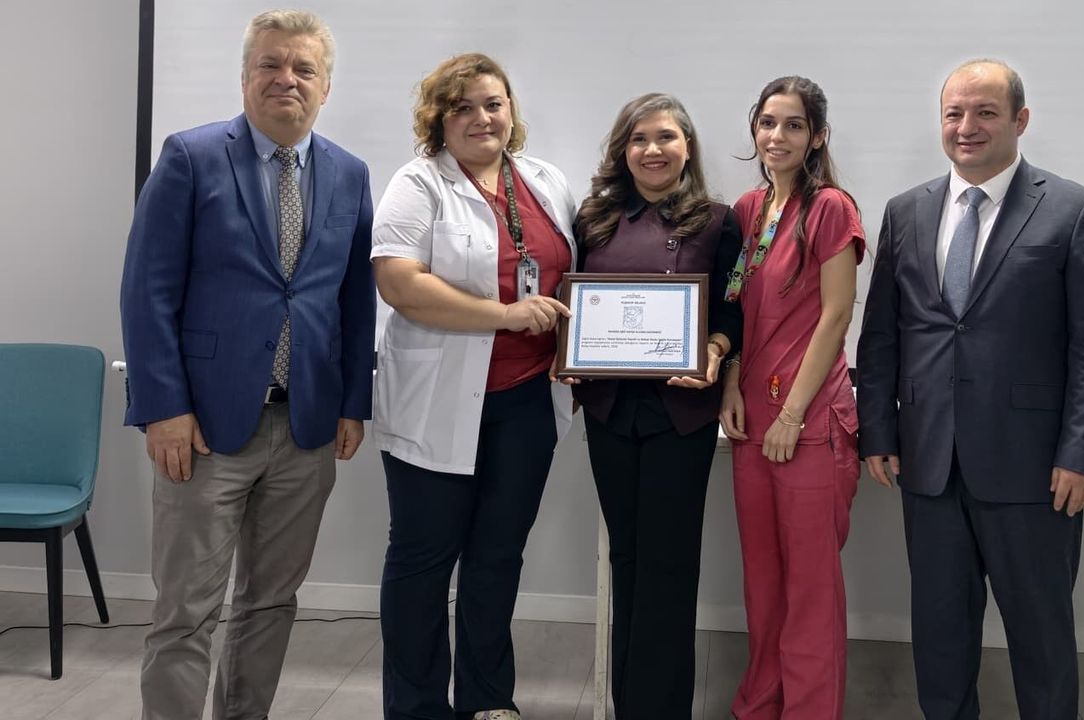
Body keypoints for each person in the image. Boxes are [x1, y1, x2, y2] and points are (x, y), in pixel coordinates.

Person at [119, 9, 375, 719]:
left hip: (306, 427)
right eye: (270, 64)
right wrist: (163, 408)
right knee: (186, 610)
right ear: (245, 76)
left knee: (271, 602)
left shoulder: (351, 174)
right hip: (203, 429)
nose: (286, 78)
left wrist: (353, 402)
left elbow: (355, 299)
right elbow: (147, 291)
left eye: (303, 68)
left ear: (325, 87)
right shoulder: (190, 156)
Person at [856, 59, 1084, 720]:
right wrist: (879, 432)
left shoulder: (1073, 210)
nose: (966, 127)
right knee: (940, 636)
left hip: (1034, 469)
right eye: (954, 113)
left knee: (1041, 639)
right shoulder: (905, 211)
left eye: (985, 112)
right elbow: (883, 335)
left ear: (1019, 120)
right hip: (929, 463)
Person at [370, 53, 577, 720]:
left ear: (510, 110)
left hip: (527, 402)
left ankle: (488, 701)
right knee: (423, 561)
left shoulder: (545, 181)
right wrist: (504, 316)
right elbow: (399, 283)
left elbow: (575, 278)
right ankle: (417, 707)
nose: (481, 118)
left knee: (497, 558)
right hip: (435, 404)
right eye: (462, 107)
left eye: (493, 103)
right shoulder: (418, 183)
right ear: (439, 119)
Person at [567, 93, 742, 720]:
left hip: (681, 414)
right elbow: (570, 300)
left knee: (669, 564)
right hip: (609, 409)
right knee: (626, 557)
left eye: (666, 136)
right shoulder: (592, 218)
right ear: (623, 150)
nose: (652, 150)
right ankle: (628, 704)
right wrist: (570, 348)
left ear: (687, 147)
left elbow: (733, 309)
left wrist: (715, 349)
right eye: (639, 138)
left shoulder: (718, 221)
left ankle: (660, 709)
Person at [718, 76, 867, 720]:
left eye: (794, 125)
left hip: (808, 424)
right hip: (751, 420)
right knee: (763, 580)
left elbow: (837, 316)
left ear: (818, 137)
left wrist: (791, 413)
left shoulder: (830, 208)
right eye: (767, 123)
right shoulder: (747, 210)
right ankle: (760, 704)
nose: (776, 136)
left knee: (809, 588)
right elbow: (737, 311)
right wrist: (731, 384)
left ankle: (808, 709)